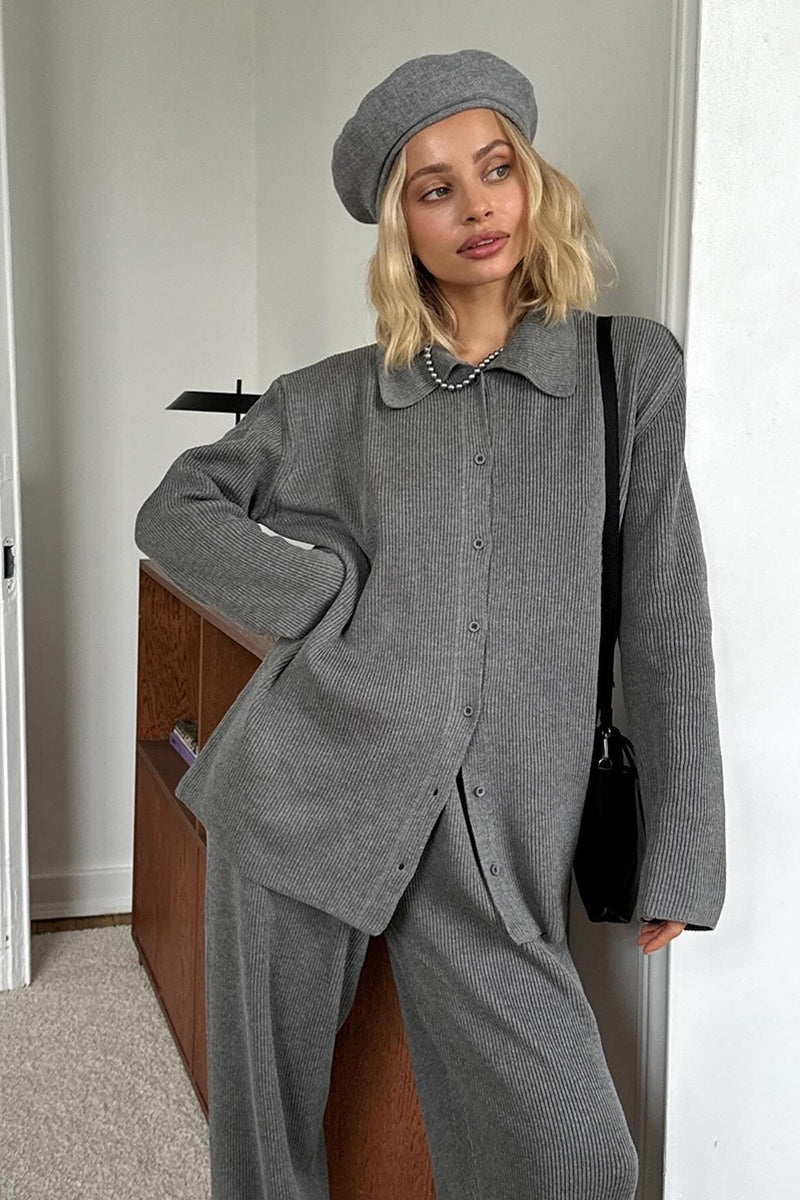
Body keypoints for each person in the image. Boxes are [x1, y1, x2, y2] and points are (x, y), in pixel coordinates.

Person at [135, 49, 726, 1200]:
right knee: (265, 1150)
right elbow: (176, 511)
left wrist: (682, 851)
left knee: (578, 1158)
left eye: (494, 168)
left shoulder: (625, 372)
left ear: (531, 180)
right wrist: (321, 601)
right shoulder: (335, 397)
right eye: (433, 187)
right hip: (301, 795)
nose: (475, 207)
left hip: (494, 844)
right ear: (399, 226)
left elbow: (663, 623)